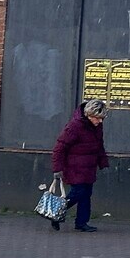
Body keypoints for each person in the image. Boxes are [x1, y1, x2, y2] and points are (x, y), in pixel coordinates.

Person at [49, 99, 110, 231]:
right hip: (74, 167)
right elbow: (60, 147)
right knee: (78, 192)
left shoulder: (97, 127)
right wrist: (57, 168)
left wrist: (102, 161)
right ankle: (56, 212)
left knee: (86, 193)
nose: (100, 121)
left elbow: (99, 144)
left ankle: (81, 222)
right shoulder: (74, 126)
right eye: (98, 118)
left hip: (89, 166)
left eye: (101, 119)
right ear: (89, 115)